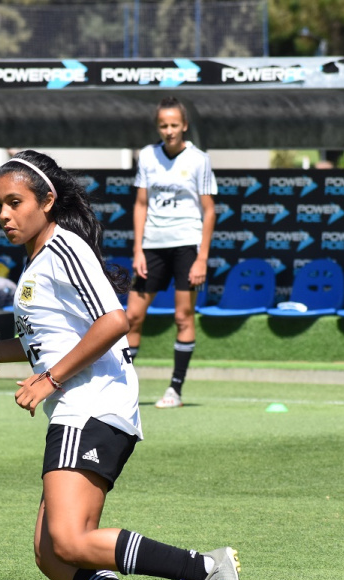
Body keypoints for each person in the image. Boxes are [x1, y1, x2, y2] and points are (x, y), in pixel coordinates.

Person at [0, 150, 246, 580]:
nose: (5, 215)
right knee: (51, 554)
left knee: (69, 540)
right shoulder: (39, 259)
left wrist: (49, 379)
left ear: (47, 201)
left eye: (15, 203)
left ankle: (206, 567)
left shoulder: (65, 247)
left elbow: (113, 321)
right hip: (81, 403)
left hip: (92, 401)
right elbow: (47, 340)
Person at [127, 96, 218, 408]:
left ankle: (175, 390)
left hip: (186, 247)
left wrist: (202, 257)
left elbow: (209, 211)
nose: (169, 131)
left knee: (182, 316)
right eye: (163, 125)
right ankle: (123, 390)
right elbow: (140, 204)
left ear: (185, 126)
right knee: (132, 317)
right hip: (152, 246)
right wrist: (137, 250)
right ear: (158, 126)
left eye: (174, 125)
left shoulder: (199, 160)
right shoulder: (148, 156)